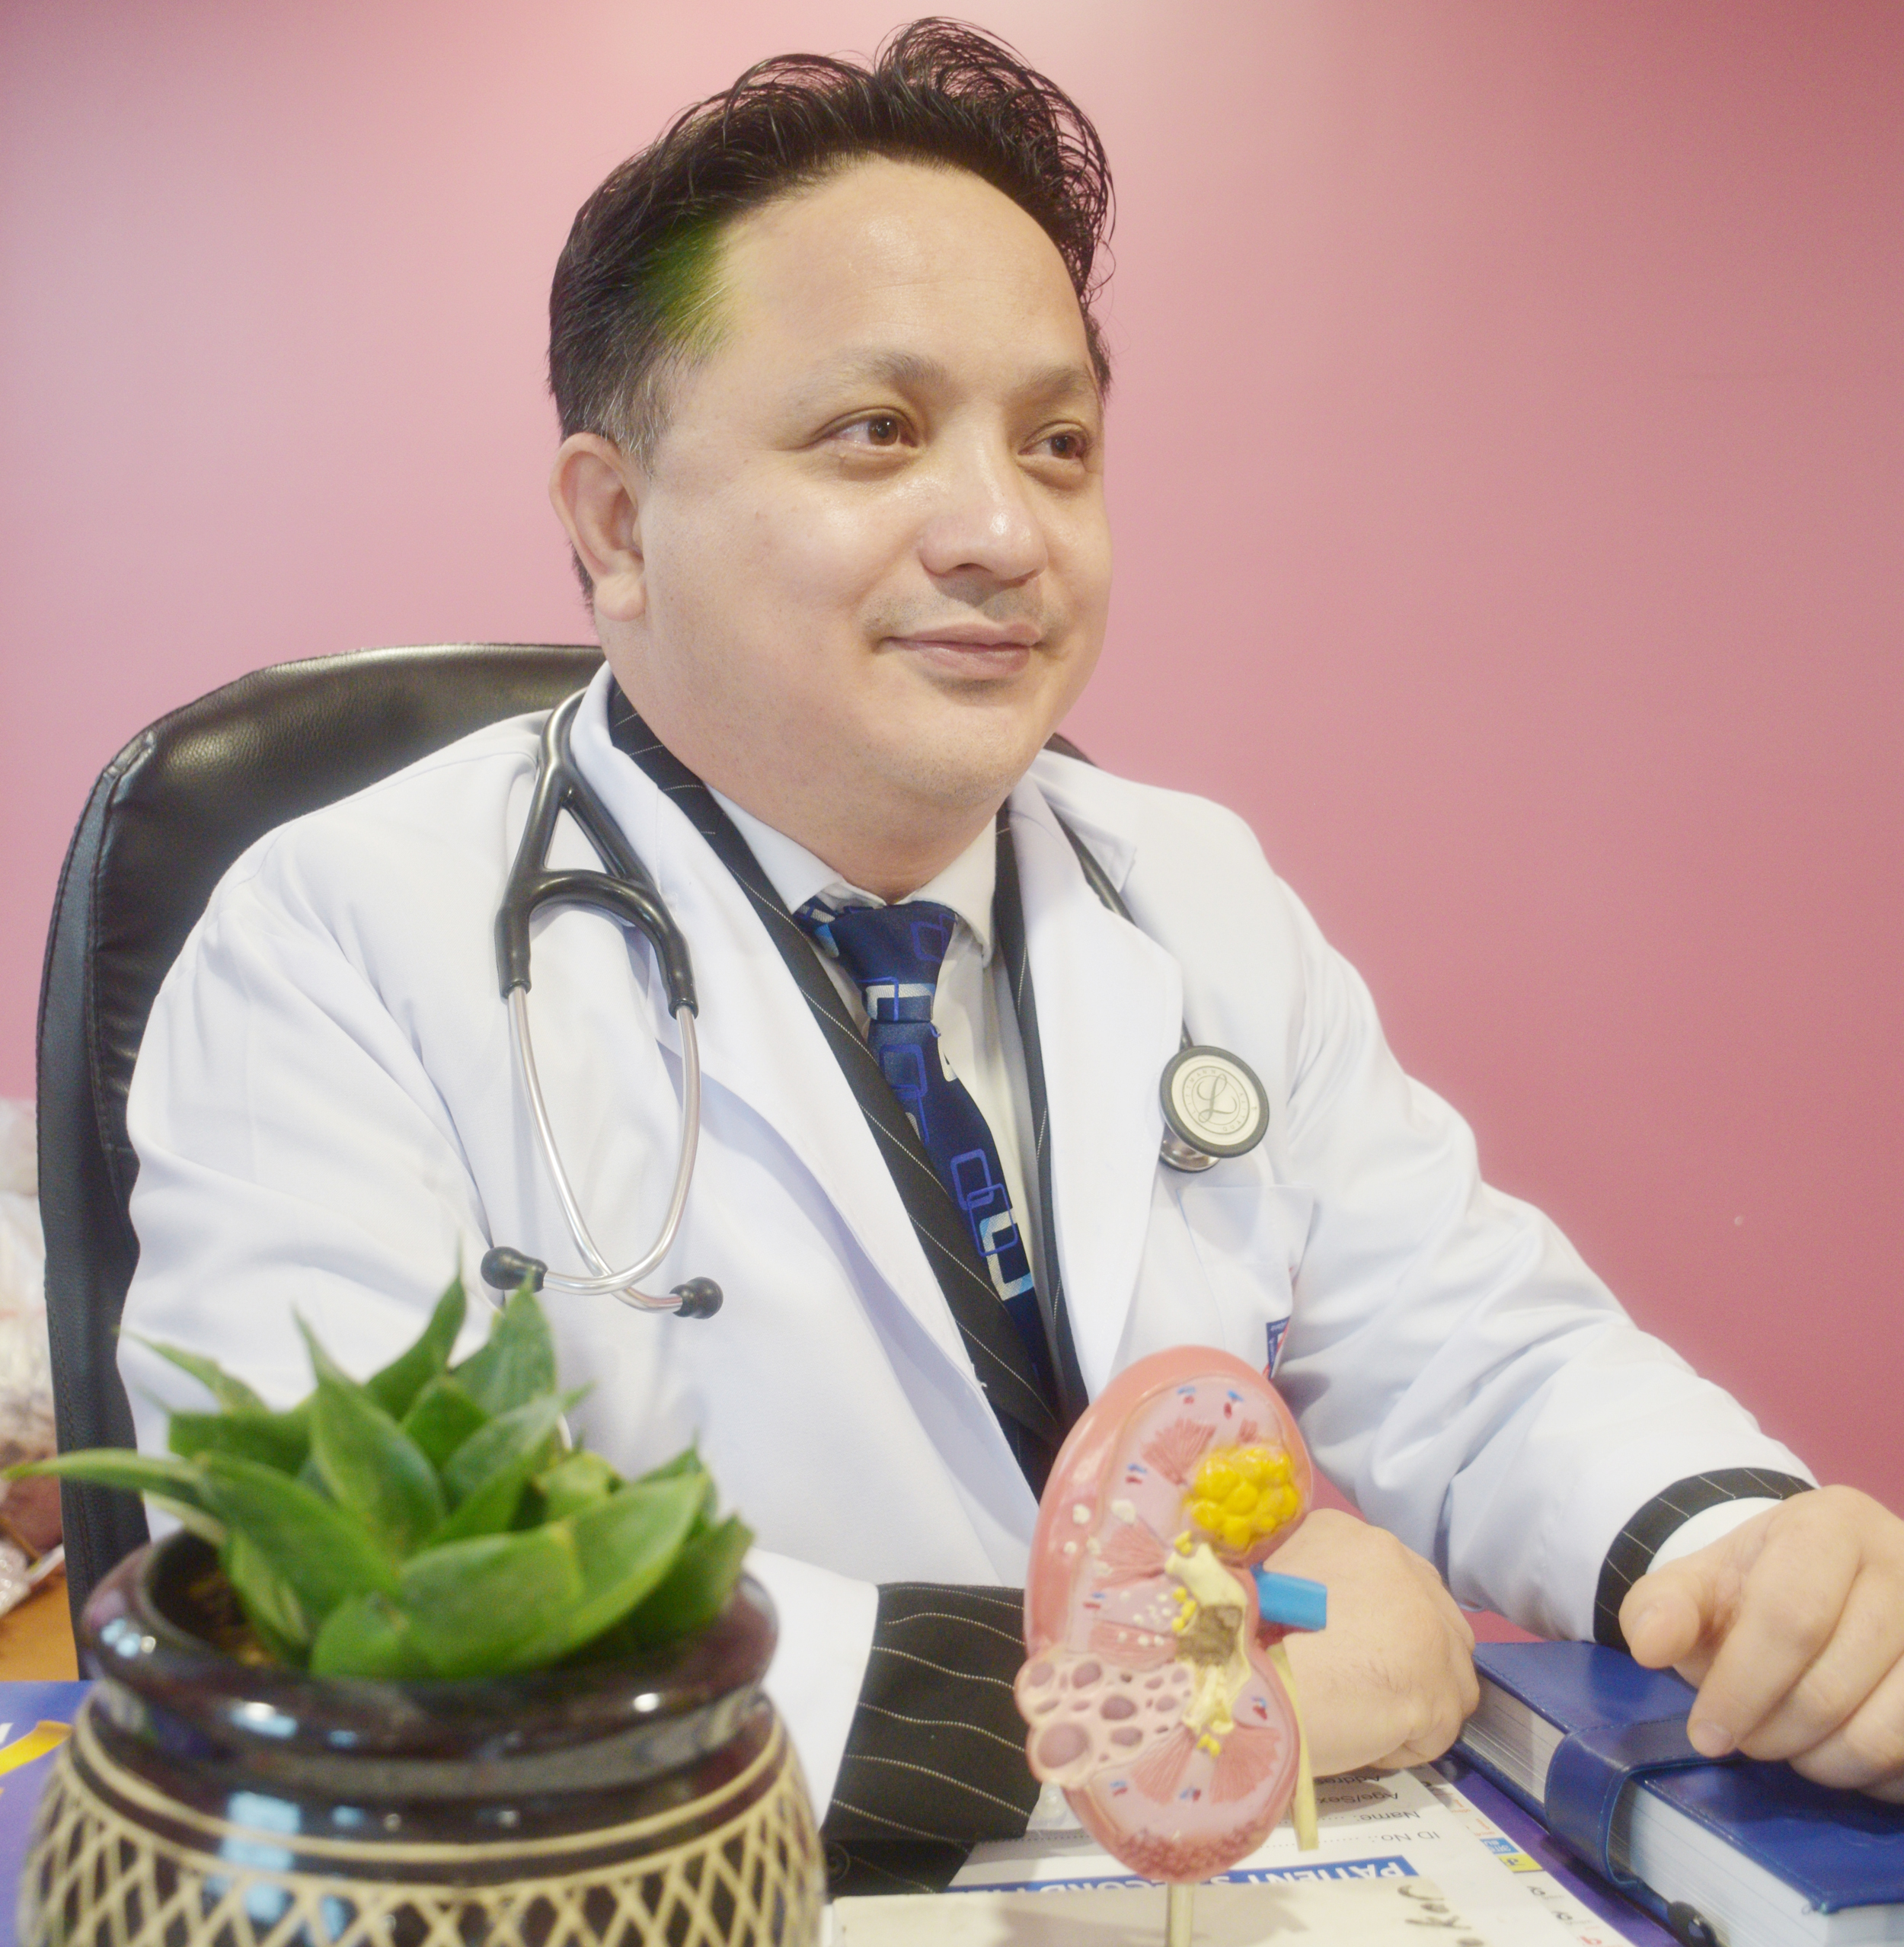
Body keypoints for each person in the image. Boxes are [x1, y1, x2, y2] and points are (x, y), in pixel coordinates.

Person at [117, 21, 1904, 1888]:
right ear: (617, 523)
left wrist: (1745, 1558)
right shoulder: (342, 937)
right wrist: (1161, 1700)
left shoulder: (1187, 889)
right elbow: (365, 1584)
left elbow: (1474, 1348)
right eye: (875, 433)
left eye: (1057, 447)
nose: (1000, 532)